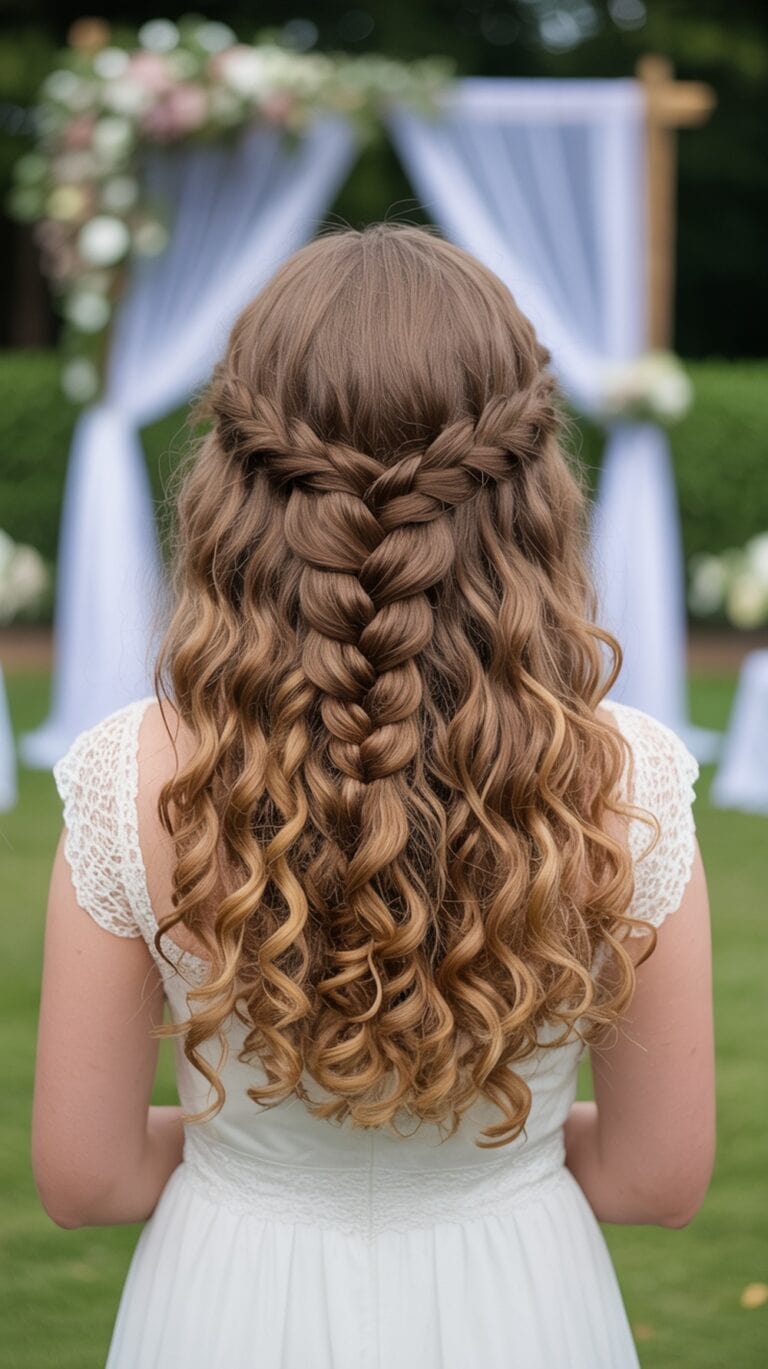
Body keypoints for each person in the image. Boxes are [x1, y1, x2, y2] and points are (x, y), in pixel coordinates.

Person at [32, 224, 715, 1368]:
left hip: (224, 1303)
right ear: (530, 485)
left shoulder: (134, 776)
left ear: (236, 484)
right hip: (523, 1304)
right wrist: (501, 1153)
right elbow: (657, 1177)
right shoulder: (624, 777)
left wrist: (259, 1160)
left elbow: (87, 1177)